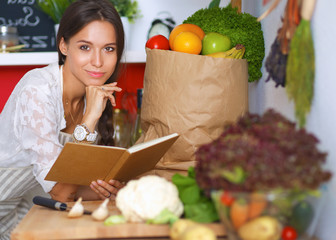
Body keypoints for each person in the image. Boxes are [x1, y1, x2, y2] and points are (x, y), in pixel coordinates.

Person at [0, 0, 126, 238]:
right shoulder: (38, 90)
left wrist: (109, 190)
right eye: (85, 47)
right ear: (64, 46)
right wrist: (89, 120)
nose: (98, 61)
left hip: (33, 206)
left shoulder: (93, 93)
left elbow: (67, 188)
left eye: (108, 48)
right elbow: (61, 191)